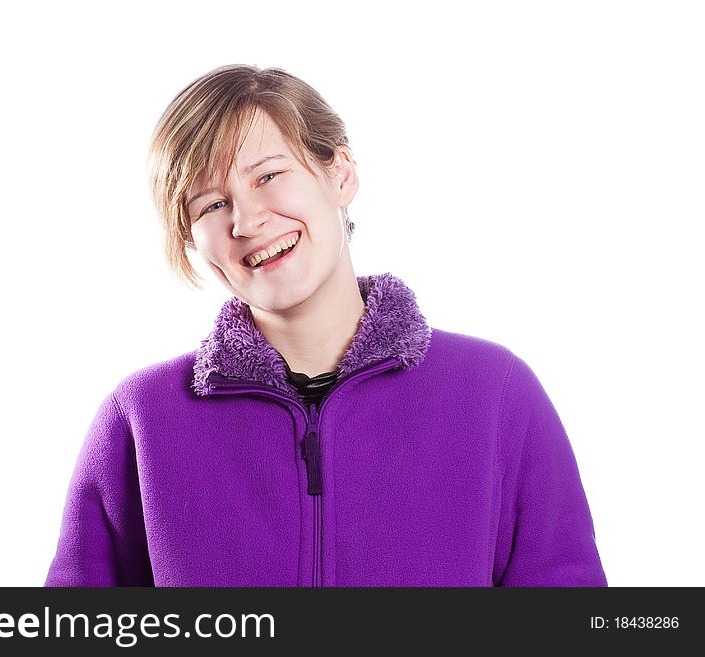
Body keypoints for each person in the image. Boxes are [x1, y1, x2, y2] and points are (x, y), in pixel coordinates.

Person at [44, 64, 607, 587]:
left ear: (339, 174)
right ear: (191, 238)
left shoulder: (494, 394)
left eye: (267, 176)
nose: (246, 220)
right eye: (211, 205)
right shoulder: (141, 420)